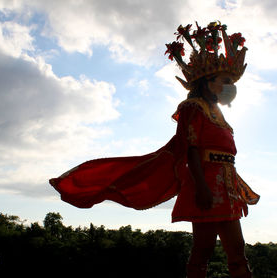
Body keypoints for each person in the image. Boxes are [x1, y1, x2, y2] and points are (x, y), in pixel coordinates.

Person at [50, 21, 259, 278]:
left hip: (227, 186)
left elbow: (227, 156)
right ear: (207, 82)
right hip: (206, 186)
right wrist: (202, 188)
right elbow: (191, 151)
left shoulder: (218, 114)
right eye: (226, 80)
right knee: (202, 251)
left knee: (237, 252)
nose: (231, 86)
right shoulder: (193, 107)